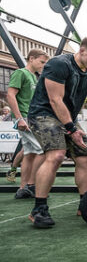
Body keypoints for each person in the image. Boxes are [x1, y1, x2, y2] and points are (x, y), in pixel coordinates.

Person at [26, 36, 87, 229]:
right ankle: (39, 210)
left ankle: (85, 204)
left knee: (84, 158)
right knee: (56, 154)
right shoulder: (59, 64)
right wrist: (71, 129)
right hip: (44, 114)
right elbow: (55, 100)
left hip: (68, 117)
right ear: (82, 50)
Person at [6, 49, 49, 199]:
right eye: (41, 62)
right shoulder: (21, 73)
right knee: (42, 150)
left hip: (31, 117)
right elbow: (10, 95)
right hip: (25, 117)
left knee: (29, 153)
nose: (43, 65)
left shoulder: (33, 77)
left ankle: (23, 187)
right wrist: (19, 118)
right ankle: (31, 185)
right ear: (31, 58)